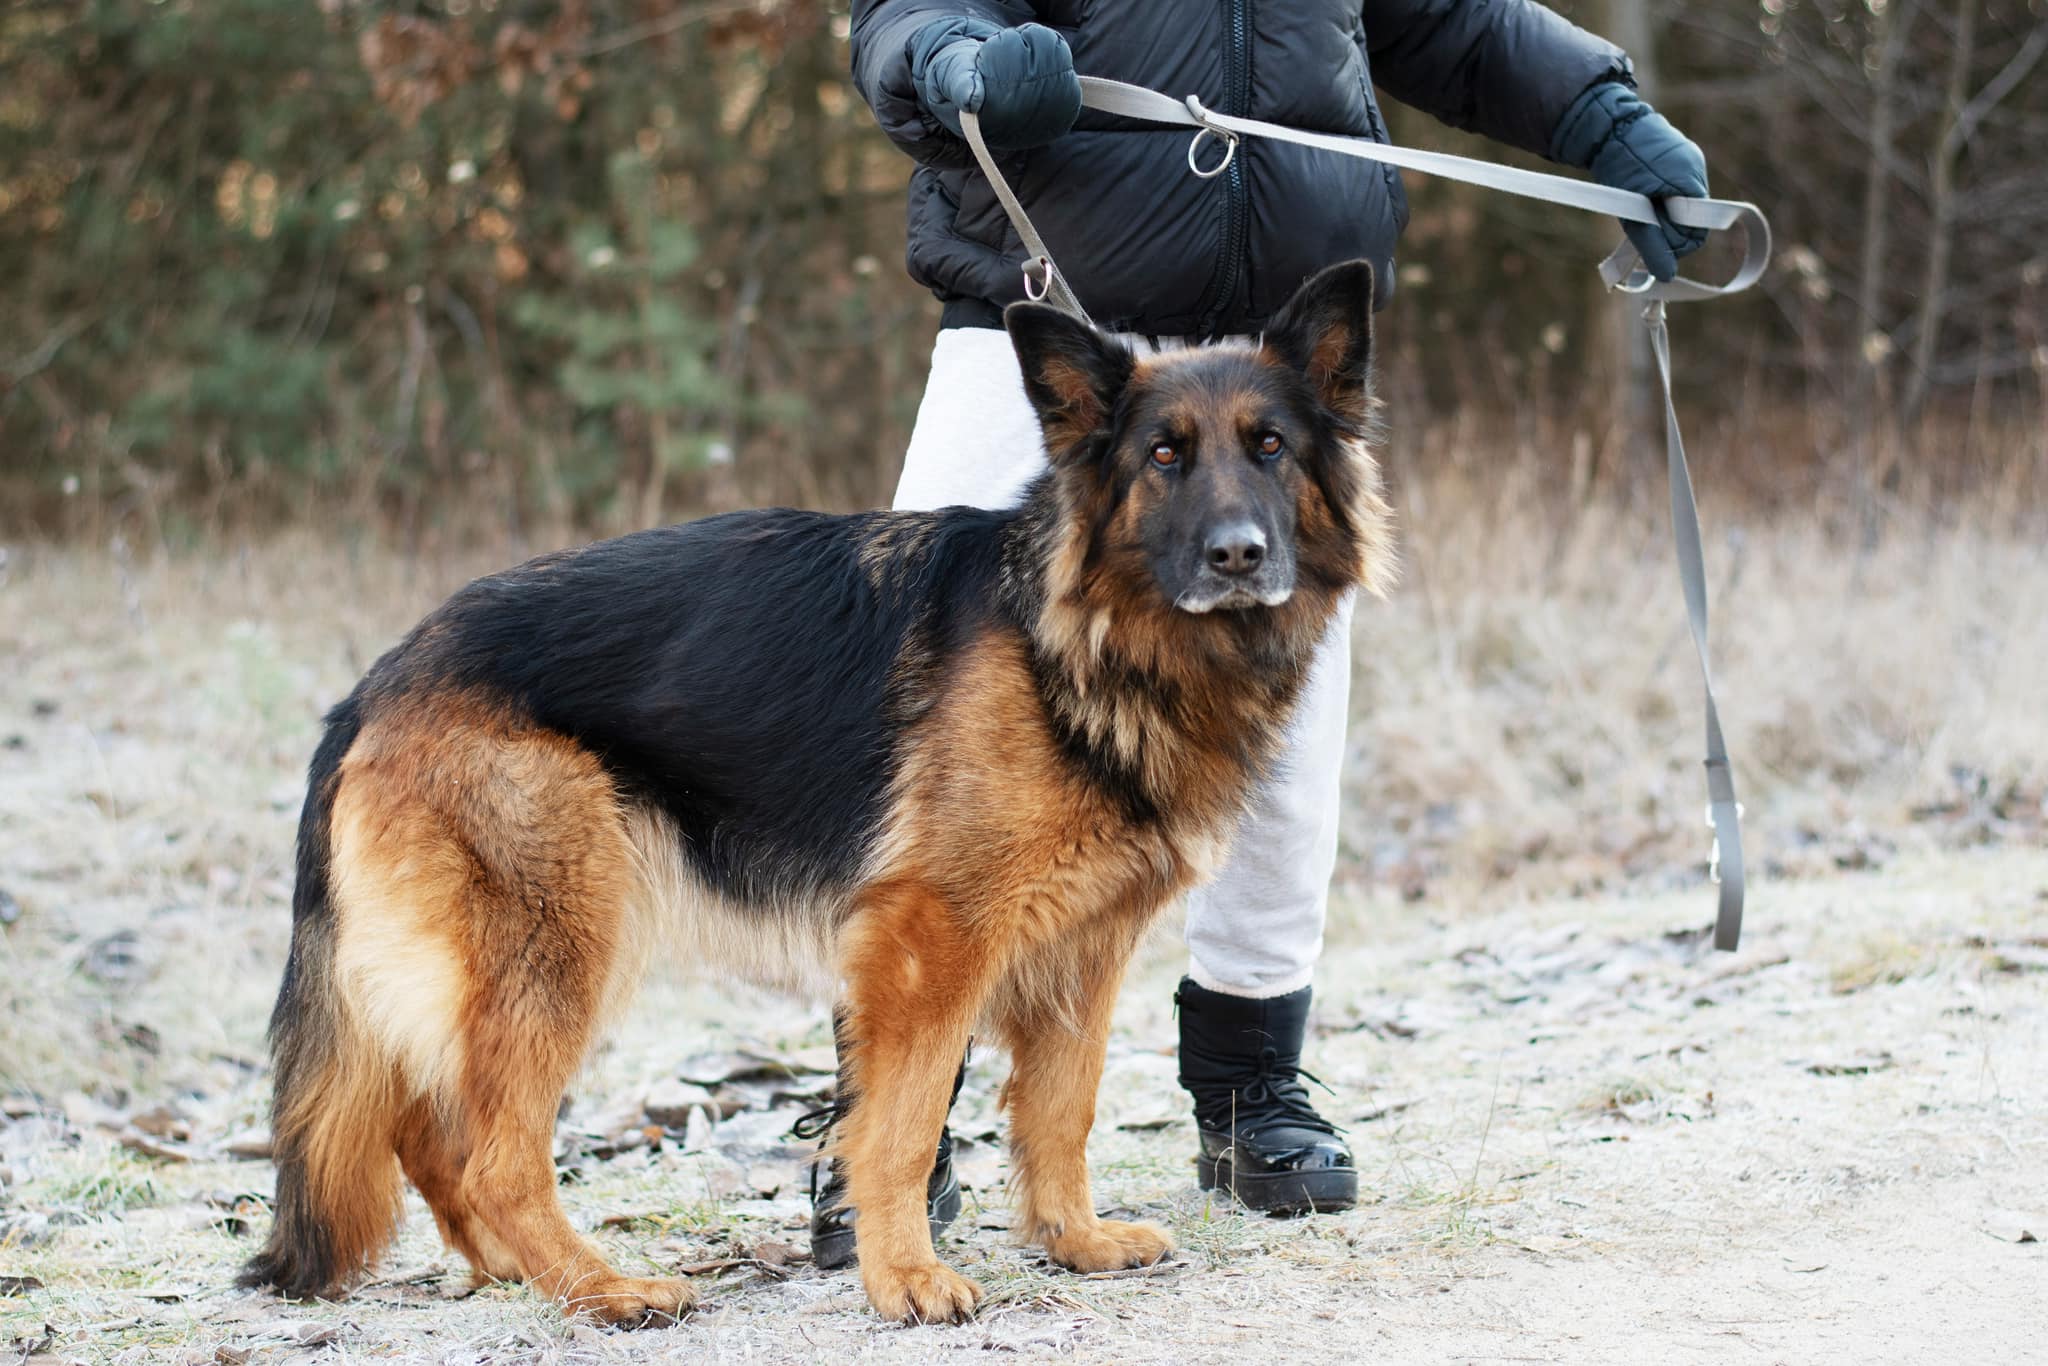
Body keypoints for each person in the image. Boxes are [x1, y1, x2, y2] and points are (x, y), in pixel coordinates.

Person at [808, 0, 1709, 1264]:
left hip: (1280, 361)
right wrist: (955, 61)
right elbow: (904, 12)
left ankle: (1249, 1088)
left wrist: (1604, 118)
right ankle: (884, 1127)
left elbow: (1448, 20)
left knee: (1280, 767)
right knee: (914, 748)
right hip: (1050, 334)